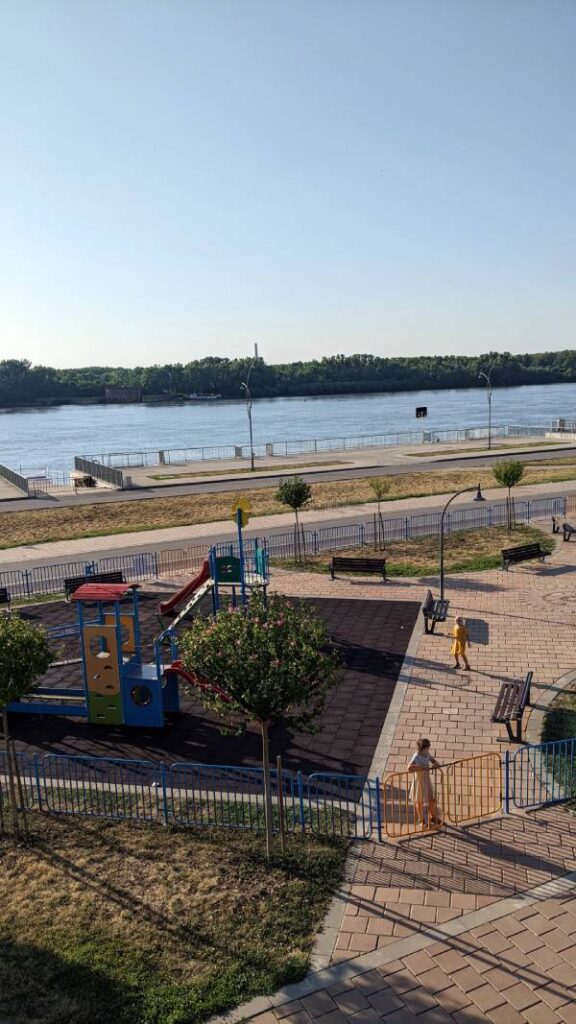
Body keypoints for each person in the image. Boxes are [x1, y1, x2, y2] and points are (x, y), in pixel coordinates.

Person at [408, 738, 441, 827]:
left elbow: (432, 759)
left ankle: (432, 816)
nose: (429, 749)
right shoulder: (416, 756)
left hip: (426, 780)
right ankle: (421, 820)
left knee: (432, 798)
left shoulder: (427, 754)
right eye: (428, 748)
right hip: (419, 781)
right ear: (424, 748)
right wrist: (421, 768)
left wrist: (436, 764)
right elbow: (409, 768)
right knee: (419, 801)